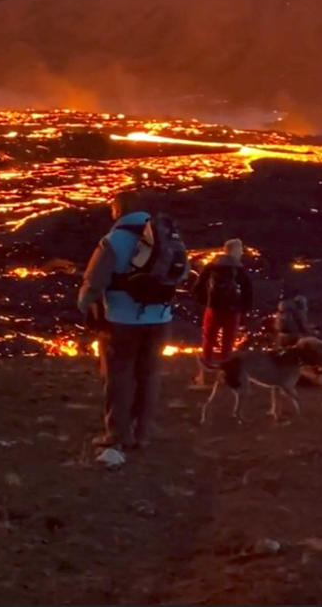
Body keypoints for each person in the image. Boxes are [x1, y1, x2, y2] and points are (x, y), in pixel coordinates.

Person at [77, 192, 185, 450]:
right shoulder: (170, 238)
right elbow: (180, 273)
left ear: (118, 210)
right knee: (149, 375)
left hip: (121, 320)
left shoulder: (114, 240)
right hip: (160, 318)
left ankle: (118, 434)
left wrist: (86, 307)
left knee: (119, 377)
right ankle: (143, 434)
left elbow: (94, 283)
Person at [192, 238, 254, 369]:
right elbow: (248, 290)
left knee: (209, 336)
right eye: (240, 250)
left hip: (213, 308)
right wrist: (244, 308)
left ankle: (207, 362)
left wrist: (206, 302)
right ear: (235, 251)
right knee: (228, 340)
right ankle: (226, 365)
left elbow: (198, 286)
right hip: (233, 309)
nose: (241, 253)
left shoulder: (212, 266)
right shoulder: (240, 269)